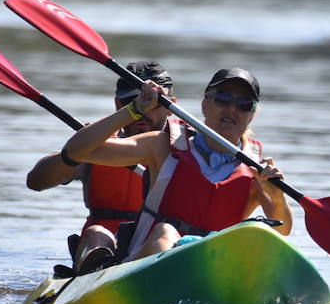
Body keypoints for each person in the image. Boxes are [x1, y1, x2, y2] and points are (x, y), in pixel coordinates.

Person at [59, 67, 291, 265]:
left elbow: (282, 230)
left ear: (251, 116)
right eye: (222, 99)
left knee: (259, 235)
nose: (232, 108)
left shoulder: (258, 169)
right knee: (164, 231)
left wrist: (277, 196)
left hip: (214, 266)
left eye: (243, 104)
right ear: (204, 105)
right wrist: (133, 110)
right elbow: (77, 151)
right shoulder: (162, 146)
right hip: (143, 262)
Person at [27, 60, 174, 275]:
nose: (145, 109)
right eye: (132, 101)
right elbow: (36, 181)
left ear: (171, 106)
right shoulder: (93, 146)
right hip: (101, 260)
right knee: (97, 234)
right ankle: (96, 271)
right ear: (118, 104)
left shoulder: (185, 150)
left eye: (155, 103)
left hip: (152, 253)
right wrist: (76, 152)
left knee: (164, 233)